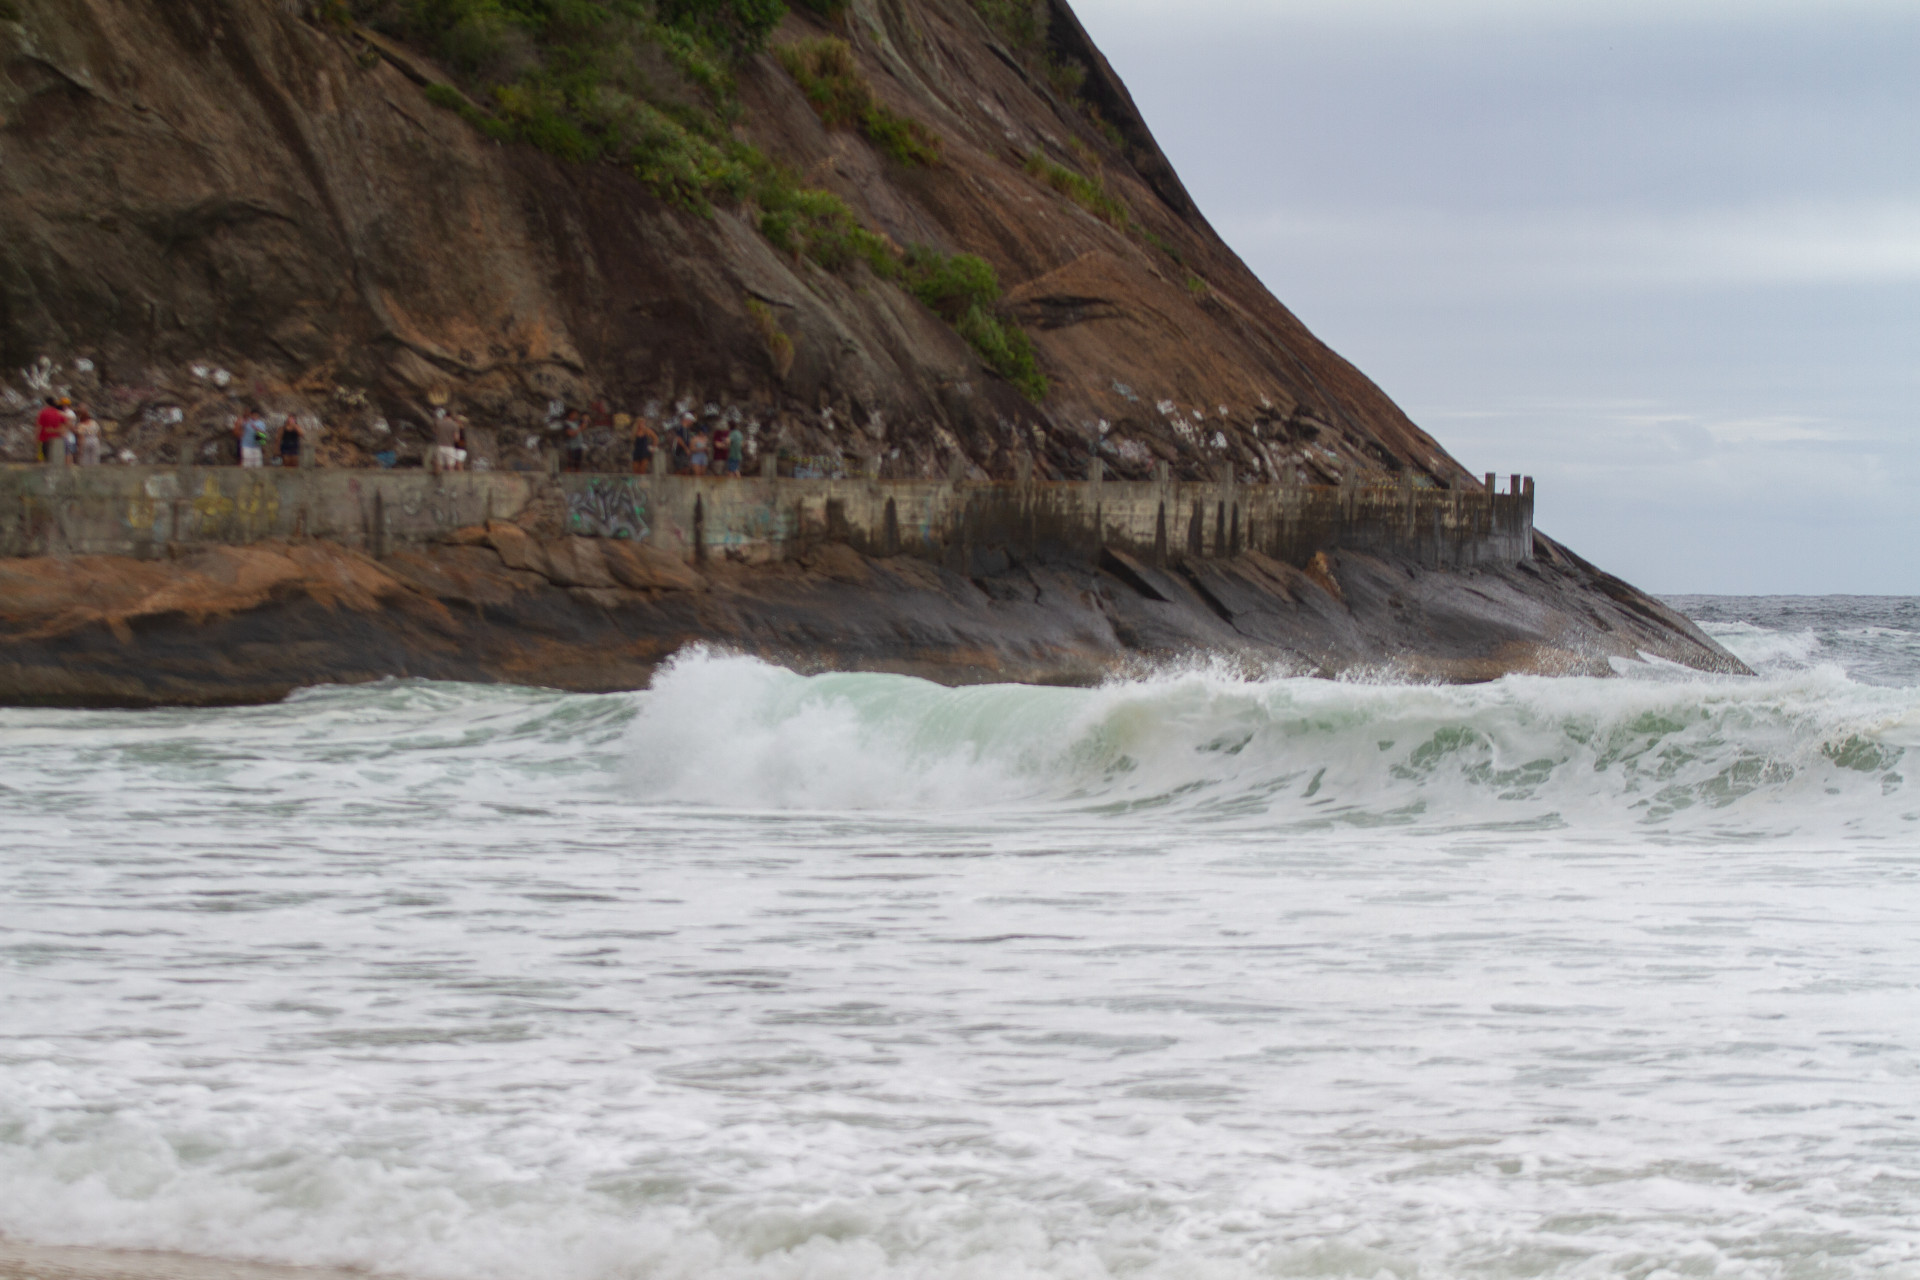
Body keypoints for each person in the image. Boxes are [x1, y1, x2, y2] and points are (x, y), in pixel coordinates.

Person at [35, 397, 66, 463]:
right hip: (56, 440)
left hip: (43, 439)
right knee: (53, 460)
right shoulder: (59, 414)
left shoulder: (43, 413)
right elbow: (63, 429)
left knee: (41, 459)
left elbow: (39, 427)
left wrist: (36, 438)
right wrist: (54, 430)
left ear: (46, 403)